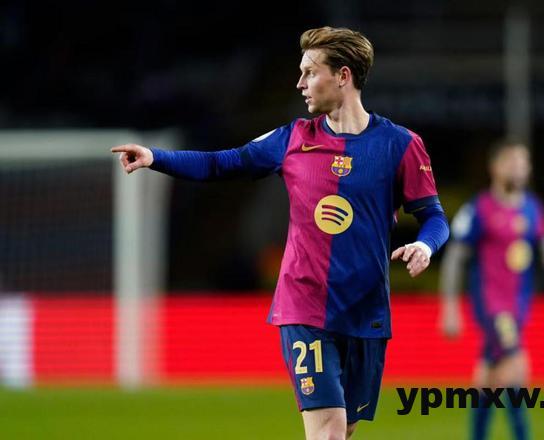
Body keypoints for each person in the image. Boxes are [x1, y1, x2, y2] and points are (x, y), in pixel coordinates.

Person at [113, 26, 449, 440]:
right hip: (306, 307)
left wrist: (425, 245)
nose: (299, 83)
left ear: (343, 76)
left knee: (343, 431)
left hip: (367, 311)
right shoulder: (292, 139)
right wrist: (156, 157)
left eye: (310, 72)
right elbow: (223, 163)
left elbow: (434, 216)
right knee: (327, 432)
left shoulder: (401, 145)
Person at [439, 140, 544, 440]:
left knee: (489, 378)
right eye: (512, 162)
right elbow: (455, 257)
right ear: (495, 167)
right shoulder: (479, 208)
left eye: (524, 163)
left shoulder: (532, 208)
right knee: (516, 369)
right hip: (492, 306)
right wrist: (450, 308)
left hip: (518, 307)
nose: (519, 169)